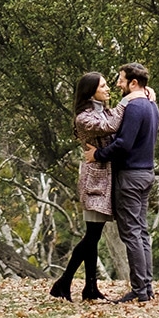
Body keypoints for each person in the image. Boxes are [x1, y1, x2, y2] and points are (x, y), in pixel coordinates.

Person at [90, 63, 158, 303]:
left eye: (120, 80)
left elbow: (124, 143)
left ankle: (140, 290)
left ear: (133, 83)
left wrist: (97, 155)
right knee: (142, 232)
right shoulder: (151, 104)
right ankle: (146, 288)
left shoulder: (135, 106)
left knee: (131, 234)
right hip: (147, 173)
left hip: (130, 176)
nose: (117, 84)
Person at [50, 71, 118, 301]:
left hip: (105, 178)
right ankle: (64, 282)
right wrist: (132, 100)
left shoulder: (104, 110)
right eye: (104, 86)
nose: (108, 89)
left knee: (94, 235)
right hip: (94, 179)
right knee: (92, 236)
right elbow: (110, 126)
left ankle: (89, 288)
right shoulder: (84, 118)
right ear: (91, 93)